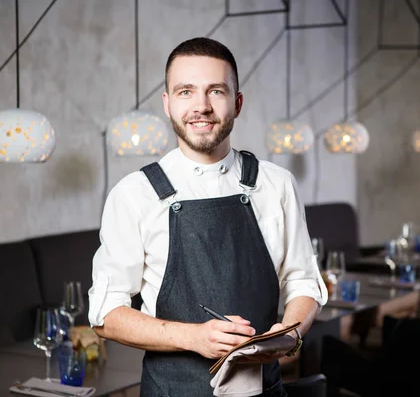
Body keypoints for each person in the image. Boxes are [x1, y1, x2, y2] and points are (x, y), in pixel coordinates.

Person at [88, 37, 328, 397]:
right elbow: (106, 314)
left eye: (216, 91)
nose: (201, 106)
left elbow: (304, 282)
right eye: (186, 92)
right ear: (167, 105)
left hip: (265, 390)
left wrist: (287, 335)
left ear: (238, 102)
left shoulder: (276, 185)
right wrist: (194, 337)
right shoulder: (134, 193)